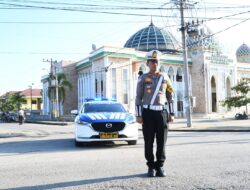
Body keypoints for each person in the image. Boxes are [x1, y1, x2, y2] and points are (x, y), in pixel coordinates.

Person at [135, 50, 174, 177]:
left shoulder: (165, 77)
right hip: (147, 113)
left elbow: (170, 96)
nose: (154, 64)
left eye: (156, 61)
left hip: (161, 113)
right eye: (152, 61)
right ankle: (151, 167)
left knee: (162, 142)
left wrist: (171, 113)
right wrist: (139, 115)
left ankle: (160, 166)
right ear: (147, 63)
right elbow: (138, 97)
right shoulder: (142, 78)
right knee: (148, 141)